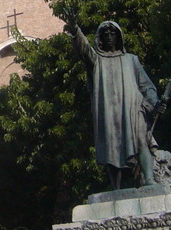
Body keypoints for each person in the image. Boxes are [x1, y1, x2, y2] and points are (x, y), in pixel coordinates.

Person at [64, 16, 164, 189]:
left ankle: (149, 180)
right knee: (111, 146)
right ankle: (116, 189)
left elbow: (146, 85)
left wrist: (155, 102)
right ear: (100, 38)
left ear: (118, 37)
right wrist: (75, 29)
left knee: (141, 140)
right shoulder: (97, 61)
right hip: (108, 110)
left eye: (112, 33)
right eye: (105, 33)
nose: (109, 36)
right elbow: (84, 50)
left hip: (133, 107)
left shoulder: (131, 59)